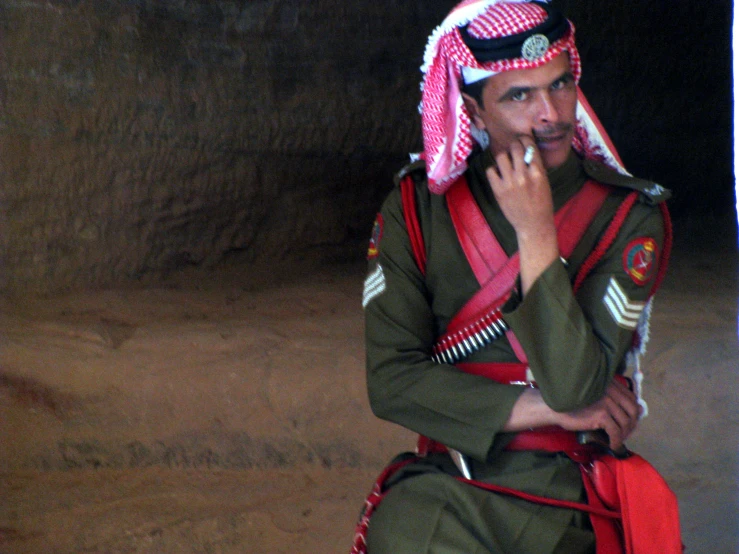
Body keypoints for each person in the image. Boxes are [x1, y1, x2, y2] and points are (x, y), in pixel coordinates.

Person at [354, 1, 681, 553]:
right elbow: (391, 383)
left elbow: (575, 384)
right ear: (476, 114)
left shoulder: (628, 217)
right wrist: (546, 410)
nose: (551, 113)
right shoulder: (416, 210)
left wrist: (536, 236)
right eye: (519, 96)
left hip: (565, 484)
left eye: (559, 86)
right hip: (447, 477)